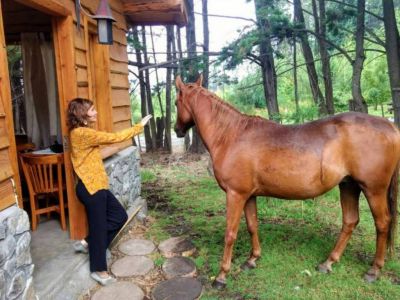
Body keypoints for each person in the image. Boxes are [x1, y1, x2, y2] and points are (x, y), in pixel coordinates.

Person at [67, 98, 152, 285]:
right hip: (90, 189)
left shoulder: (82, 133)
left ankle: (87, 243)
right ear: (82, 114)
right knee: (99, 229)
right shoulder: (81, 133)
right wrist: (139, 127)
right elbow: (114, 138)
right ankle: (98, 270)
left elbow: (97, 153)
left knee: (119, 216)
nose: (96, 112)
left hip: (98, 186)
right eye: (92, 110)